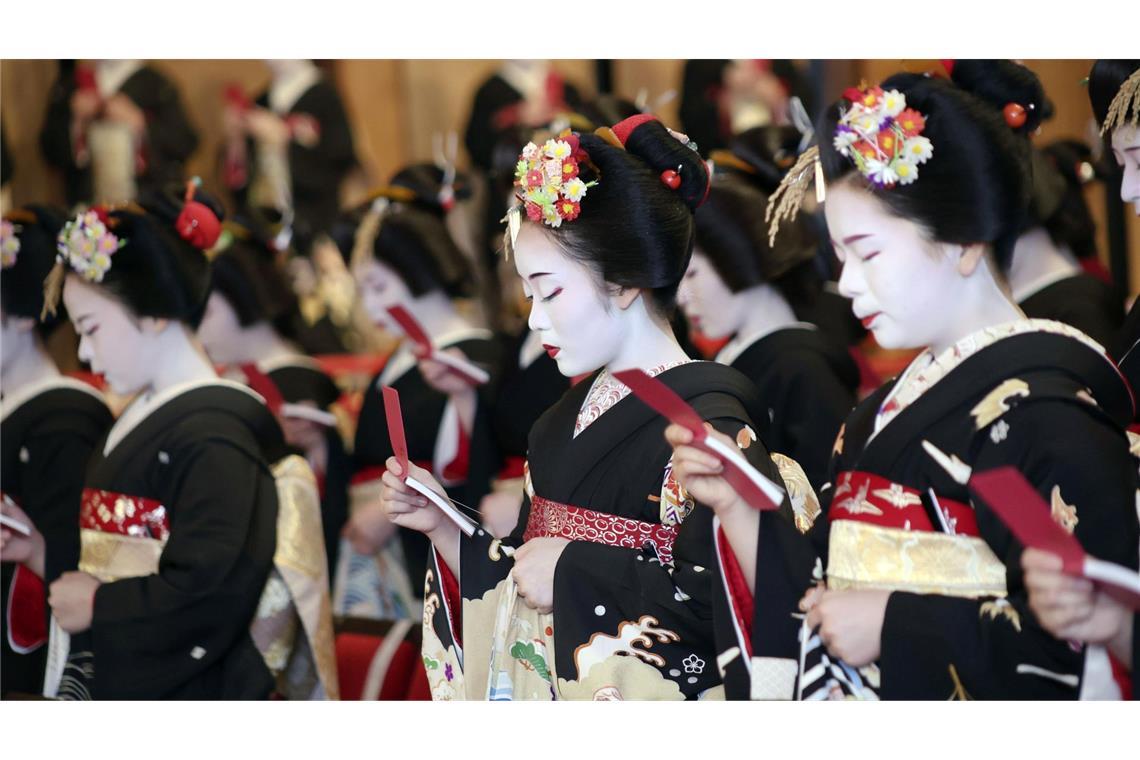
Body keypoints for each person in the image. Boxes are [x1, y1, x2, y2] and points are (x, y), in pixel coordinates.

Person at [667, 61, 1140, 700]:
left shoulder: (1048, 412)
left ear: (965, 239)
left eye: (870, 251)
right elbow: (819, 599)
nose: (850, 283)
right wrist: (737, 507)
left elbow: (1082, 657)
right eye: (842, 257)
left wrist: (895, 622)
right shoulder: (875, 415)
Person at [380, 115, 801, 700]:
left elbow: (730, 603)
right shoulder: (558, 422)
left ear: (625, 281)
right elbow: (524, 576)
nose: (534, 316)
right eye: (528, 294)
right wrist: (443, 528)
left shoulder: (707, 422)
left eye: (551, 290)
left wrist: (574, 572)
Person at [38, 183, 326, 699]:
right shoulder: (150, 413)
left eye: (91, 327)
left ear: (152, 311)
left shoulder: (215, 430)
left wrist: (102, 606)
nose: (83, 350)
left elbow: (211, 589)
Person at [337, 188, 503, 621]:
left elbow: (473, 466)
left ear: (419, 271)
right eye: (363, 289)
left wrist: (388, 511)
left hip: (422, 534)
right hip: (376, 540)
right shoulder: (398, 357)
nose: (369, 304)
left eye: (378, 286)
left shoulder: (476, 354)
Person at [680, 125, 858, 490]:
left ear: (737, 255)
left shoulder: (804, 367)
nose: (682, 296)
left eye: (693, 273)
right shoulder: (735, 354)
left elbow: (826, 492)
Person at [197, 216, 351, 579]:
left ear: (244, 299)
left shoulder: (297, 381)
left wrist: (317, 449)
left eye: (207, 312)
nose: (198, 329)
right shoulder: (235, 377)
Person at [0, 205, 112, 697]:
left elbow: (79, 556)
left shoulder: (65, 418)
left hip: (29, 653)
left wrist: (37, 550)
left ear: (25, 314)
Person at [222, 59, 357, 256]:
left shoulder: (324, 97)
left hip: (313, 221)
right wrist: (236, 141)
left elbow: (340, 160)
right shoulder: (261, 101)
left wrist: (283, 142)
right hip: (264, 226)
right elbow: (241, 183)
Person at [40, 60, 198, 206]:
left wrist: (140, 122)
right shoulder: (73, 84)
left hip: (146, 203)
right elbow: (50, 151)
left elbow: (185, 142)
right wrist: (75, 122)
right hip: (89, 208)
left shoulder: (157, 83)